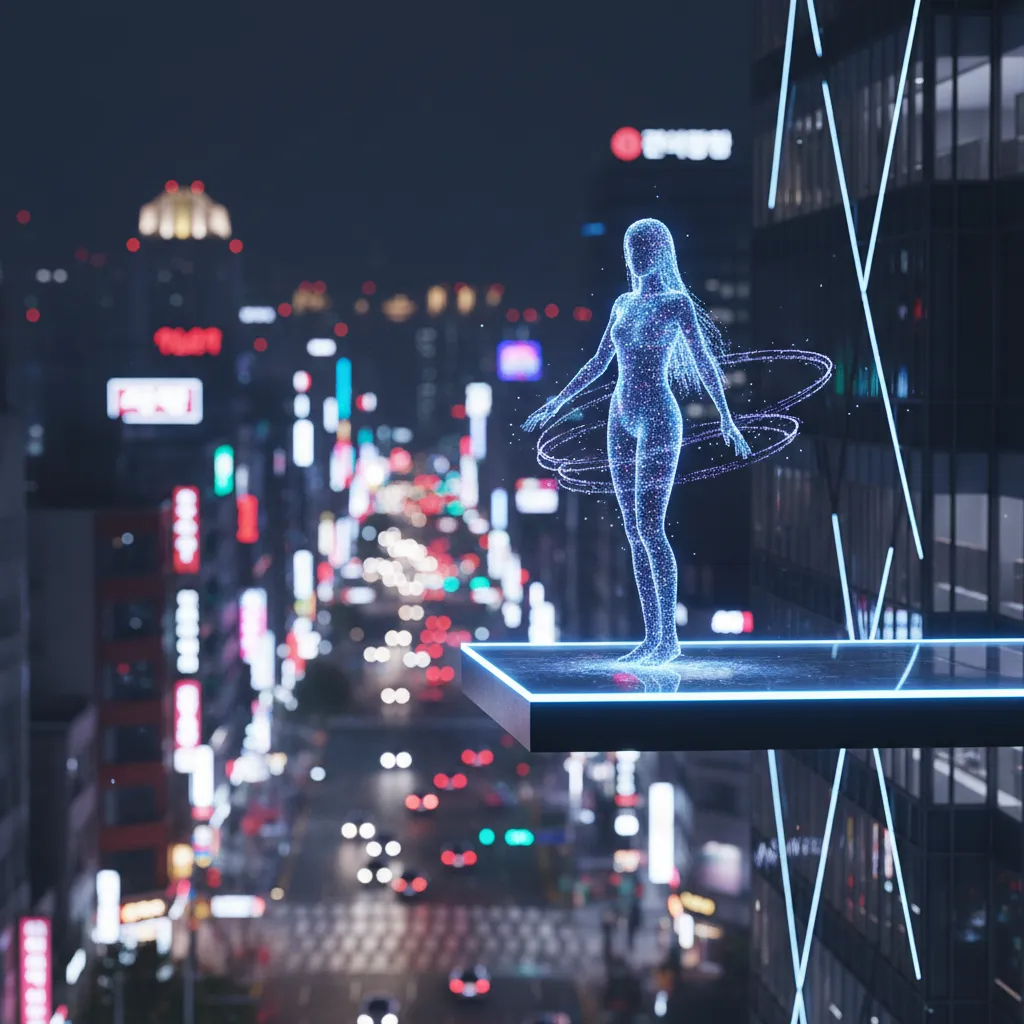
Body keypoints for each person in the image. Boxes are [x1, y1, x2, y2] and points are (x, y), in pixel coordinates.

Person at [523, 218, 751, 664]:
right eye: (633, 248)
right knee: (632, 530)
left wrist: (726, 417)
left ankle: (668, 639)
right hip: (619, 417)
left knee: (651, 528)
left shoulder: (676, 303)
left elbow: (704, 362)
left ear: (660, 252)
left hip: (659, 419)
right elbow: (599, 362)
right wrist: (557, 404)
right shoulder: (623, 303)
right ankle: (653, 638)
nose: (638, 256)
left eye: (645, 248)